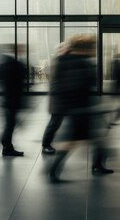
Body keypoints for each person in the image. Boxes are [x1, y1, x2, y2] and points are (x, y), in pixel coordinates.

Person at [48, 35, 113, 182]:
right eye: (92, 47)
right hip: (82, 109)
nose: (93, 50)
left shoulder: (63, 60)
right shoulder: (83, 63)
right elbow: (83, 86)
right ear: (85, 48)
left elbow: (57, 85)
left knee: (87, 139)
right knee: (84, 139)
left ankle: (96, 165)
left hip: (75, 108)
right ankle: (53, 171)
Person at [41, 41, 71, 155]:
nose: (68, 49)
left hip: (61, 99)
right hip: (58, 99)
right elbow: (54, 83)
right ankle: (45, 145)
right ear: (60, 50)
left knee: (57, 122)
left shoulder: (62, 61)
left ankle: (48, 144)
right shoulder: (58, 61)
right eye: (65, 48)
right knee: (54, 122)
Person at [0, 44, 27, 157]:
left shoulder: (5, 63)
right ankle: (7, 147)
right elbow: (17, 83)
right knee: (10, 124)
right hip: (12, 99)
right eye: (22, 49)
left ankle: (7, 146)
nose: (23, 51)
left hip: (8, 99)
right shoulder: (14, 64)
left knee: (10, 123)